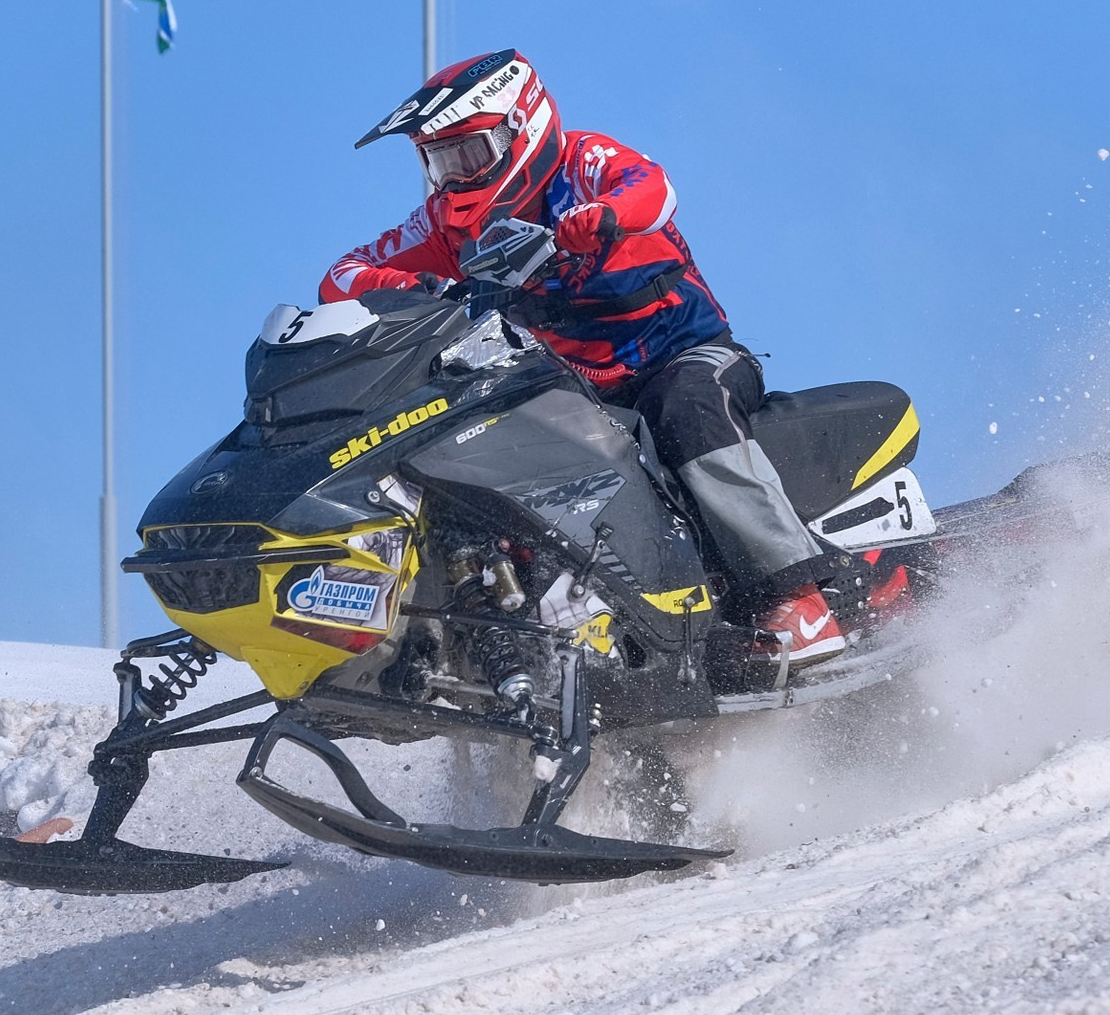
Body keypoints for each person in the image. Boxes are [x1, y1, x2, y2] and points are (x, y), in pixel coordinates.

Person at [323, 49, 844, 663]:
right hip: (575, 391)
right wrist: (409, 289)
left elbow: (653, 187)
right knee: (488, 459)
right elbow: (342, 274)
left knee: (688, 411)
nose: (456, 175)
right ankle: (547, 633)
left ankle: (798, 602)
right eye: (440, 159)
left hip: (681, 355)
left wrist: (603, 217)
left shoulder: (584, 160)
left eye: (469, 152)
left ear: (522, 126)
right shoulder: (445, 223)